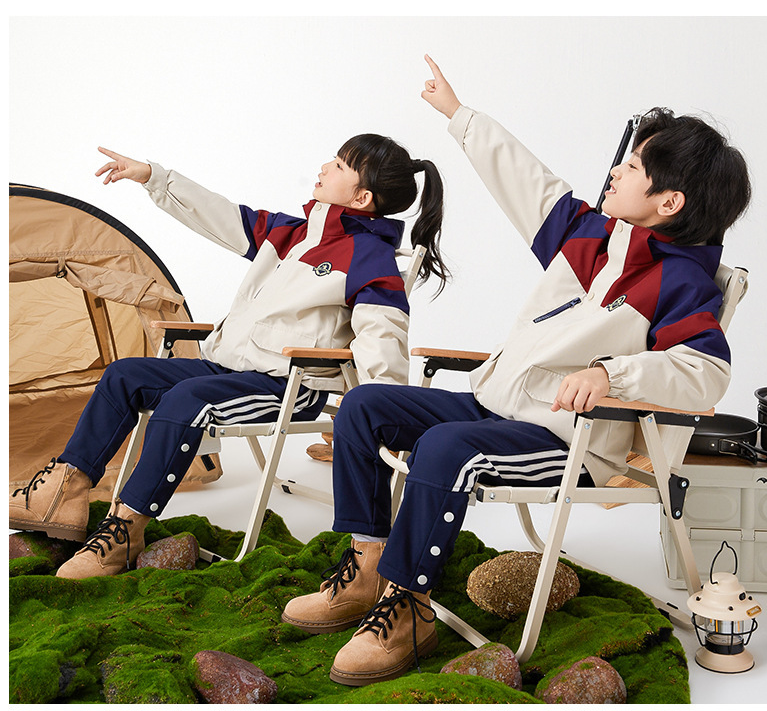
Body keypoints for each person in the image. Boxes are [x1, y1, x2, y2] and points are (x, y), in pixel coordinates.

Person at [281, 55, 751, 687]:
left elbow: (704, 372)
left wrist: (612, 375)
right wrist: (459, 114)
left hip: (563, 439)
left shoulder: (683, 281)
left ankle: (410, 607)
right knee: (365, 407)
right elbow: (526, 179)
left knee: (444, 446)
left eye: (634, 166)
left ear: (669, 201)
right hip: (495, 406)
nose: (615, 169)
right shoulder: (588, 236)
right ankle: (368, 573)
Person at [9, 132, 449, 579]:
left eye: (338, 165)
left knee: (185, 400)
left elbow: (382, 335)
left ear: (362, 197)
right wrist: (153, 177)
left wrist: (382, 410)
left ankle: (125, 531)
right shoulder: (293, 233)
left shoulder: (368, 255)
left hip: (288, 385)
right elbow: (220, 215)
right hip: (228, 369)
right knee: (124, 375)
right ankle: (64, 491)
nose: (324, 167)